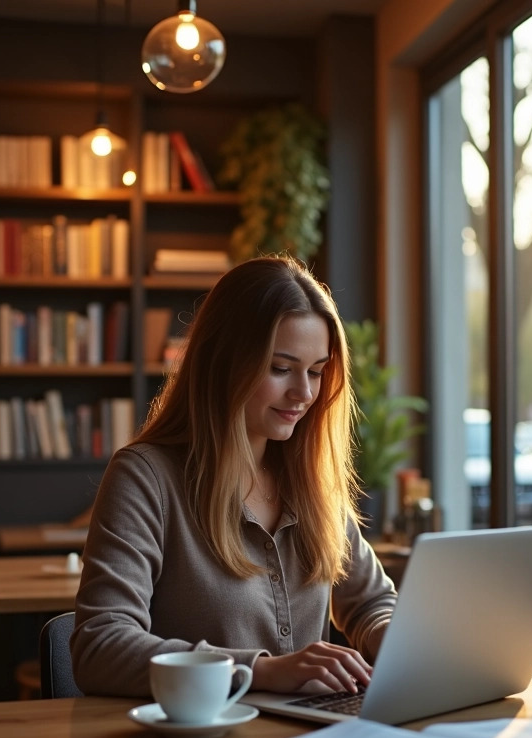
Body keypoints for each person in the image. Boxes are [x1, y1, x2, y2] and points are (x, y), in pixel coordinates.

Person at [71, 256, 397, 697]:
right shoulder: (146, 478)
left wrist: (397, 640)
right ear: (224, 362)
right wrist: (260, 672)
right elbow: (100, 646)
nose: (303, 393)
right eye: (281, 368)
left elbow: (372, 602)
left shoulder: (309, 478)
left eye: (317, 372)